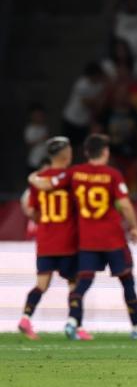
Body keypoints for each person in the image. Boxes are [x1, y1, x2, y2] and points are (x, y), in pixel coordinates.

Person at [29, 134, 137, 340]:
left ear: (86, 152)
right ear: (106, 152)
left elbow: (47, 185)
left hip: (87, 241)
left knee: (83, 283)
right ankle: (136, 327)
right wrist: (134, 227)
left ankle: (72, 321)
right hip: (113, 239)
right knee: (127, 281)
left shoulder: (74, 173)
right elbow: (124, 204)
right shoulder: (112, 174)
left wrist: (33, 178)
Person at [18, 137, 78, 340]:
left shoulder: (38, 179)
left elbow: (33, 212)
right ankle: (73, 324)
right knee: (74, 282)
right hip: (67, 240)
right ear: (66, 154)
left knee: (41, 284)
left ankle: (25, 318)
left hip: (45, 240)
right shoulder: (70, 176)